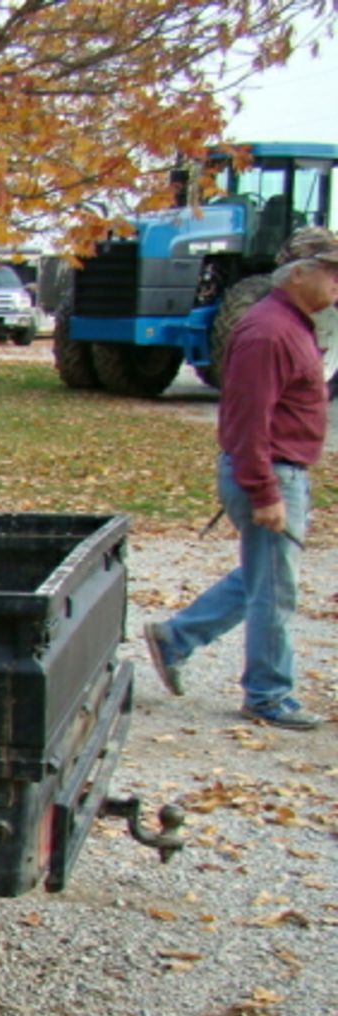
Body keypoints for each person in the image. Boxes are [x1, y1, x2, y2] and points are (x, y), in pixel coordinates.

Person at [142, 226, 338, 731]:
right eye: (332, 272)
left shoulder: (292, 324)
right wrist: (264, 490)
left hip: (279, 470)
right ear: (299, 273)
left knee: (264, 576)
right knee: (274, 589)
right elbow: (247, 420)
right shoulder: (269, 331)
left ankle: (176, 637)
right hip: (270, 472)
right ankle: (268, 694)